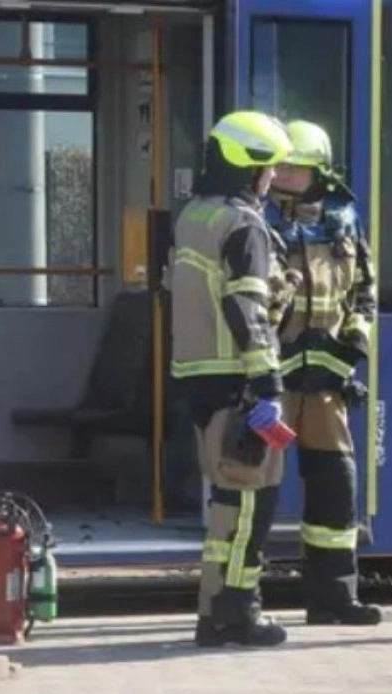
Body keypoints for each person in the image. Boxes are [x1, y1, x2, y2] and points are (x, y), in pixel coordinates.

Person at [169, 110, 297, 647]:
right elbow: (246, 305)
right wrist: (267, 382)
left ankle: (213, 611)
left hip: (199, 379)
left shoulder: (193, 216)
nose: (271, 181)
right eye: (267, 170)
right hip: (238, 381)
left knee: (227, 498)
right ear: (249, 169)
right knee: (250, 500)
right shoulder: (243, 225)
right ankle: (238, 612)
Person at [262, 120, 383, 626]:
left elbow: (365, 296)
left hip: (328, 384)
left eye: (294, 166)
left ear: (318, 170)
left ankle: (335, 597)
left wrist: (346, 354)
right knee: (256, 484)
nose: (284, 172)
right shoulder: (260, 219)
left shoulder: (344, 220)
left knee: (336, 484)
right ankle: (241, 604)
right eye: (280, 165)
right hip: (274, 382)